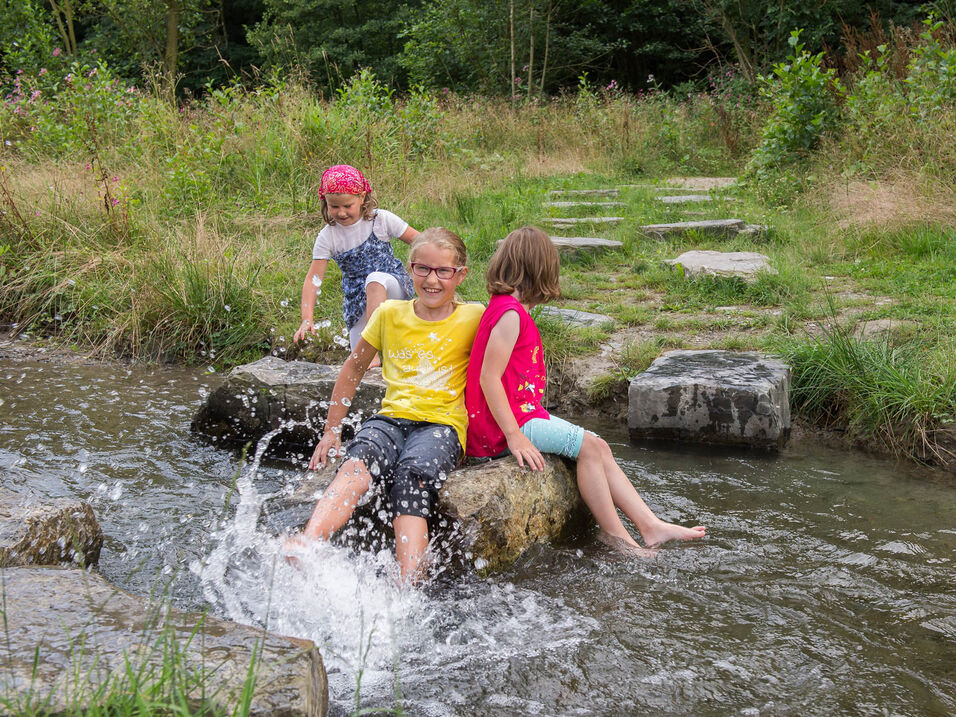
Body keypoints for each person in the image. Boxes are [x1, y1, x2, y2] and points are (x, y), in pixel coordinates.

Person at [465, 226, 706, 556]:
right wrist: (513, 436)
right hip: (505, 425)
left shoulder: (507, 307)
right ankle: (617, 538)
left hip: (521, 412)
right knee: (590, 448)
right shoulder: (509, 314)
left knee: (600, 446)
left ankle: (650, 526)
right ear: (540, 269)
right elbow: (487, 378)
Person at [285, 228, 484, 583]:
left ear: (461, 275)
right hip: (390, 418)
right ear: (409, 269)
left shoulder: (474, 317)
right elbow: (353, 369)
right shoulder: (390, 313)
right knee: (357, 463)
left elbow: (502, 363)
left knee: (410, 478)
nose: (432, 279)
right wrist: (331, 432)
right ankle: (308, 542)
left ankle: (410, 580)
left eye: (443, 271)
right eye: (423, 269)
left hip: (442, 425)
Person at [293, 164, 419, 367]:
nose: (341, 213)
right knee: (359, 362)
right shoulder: (328, 236)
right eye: (334, 207)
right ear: (326, 202)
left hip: (393, 288)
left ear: (362, 197)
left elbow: (420, 241)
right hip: (357, 302)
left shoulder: (381, 220)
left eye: (347, 205)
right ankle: (372, 360)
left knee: (374, 280)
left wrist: (434, 269)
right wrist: (307, 318)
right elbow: (313, 280)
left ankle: (378, 343)